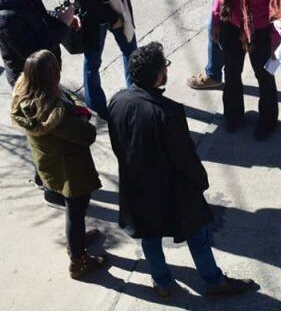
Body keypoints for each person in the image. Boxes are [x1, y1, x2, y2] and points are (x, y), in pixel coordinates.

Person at [107, 42, 257, 298]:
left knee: (150, 237)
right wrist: (200, 181)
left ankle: (162, 283)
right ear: (157, 75)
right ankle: (213, 281)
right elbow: (184, 158)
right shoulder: (168, 112)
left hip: (136, 187)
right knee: (197, 234)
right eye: (164, 66)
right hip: (171, 190)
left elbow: (118, 145)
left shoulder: (117, 102)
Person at [0, 0, 80, 201]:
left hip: (45, 72)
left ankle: (43, 177)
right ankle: (51, 189)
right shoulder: (6, 18)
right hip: (30, 80)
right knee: (43, 132)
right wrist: (62, 26)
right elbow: (33, 53)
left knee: (46, 131)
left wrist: (60, 19)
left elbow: (40, 17)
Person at [10, 50, 107, 279]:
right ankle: (78, 260)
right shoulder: (54, 114)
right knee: (75, 212)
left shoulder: (25, 95)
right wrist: (81, 117)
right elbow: (87, 135)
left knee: (74, 213)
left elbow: (65, 97)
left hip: (49, 163)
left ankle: (77, 242)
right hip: (70, 170)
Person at [212, 0, 281, 140]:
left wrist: (275, 40)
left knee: (264, 76)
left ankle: (267, 122)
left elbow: (278, 6)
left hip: (259, 31)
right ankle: (233, 116)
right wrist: (215, 22)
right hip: (231, 26)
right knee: (231, 72)